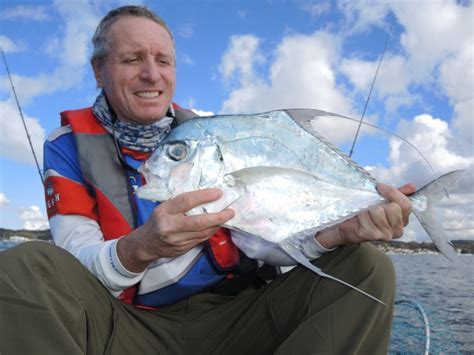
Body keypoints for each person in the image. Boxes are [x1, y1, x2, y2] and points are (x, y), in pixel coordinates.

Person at [0, 5, 415, 354]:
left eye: (163, 61)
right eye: (132, 59)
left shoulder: (210, 132)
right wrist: (138, 249)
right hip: (130, 325)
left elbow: (261, 244)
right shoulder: (66, 144)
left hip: (241, 315)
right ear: (99, 70)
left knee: (365, 266)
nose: (151, 74)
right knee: (25, 266)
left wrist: (336, 233)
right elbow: (76, 259)